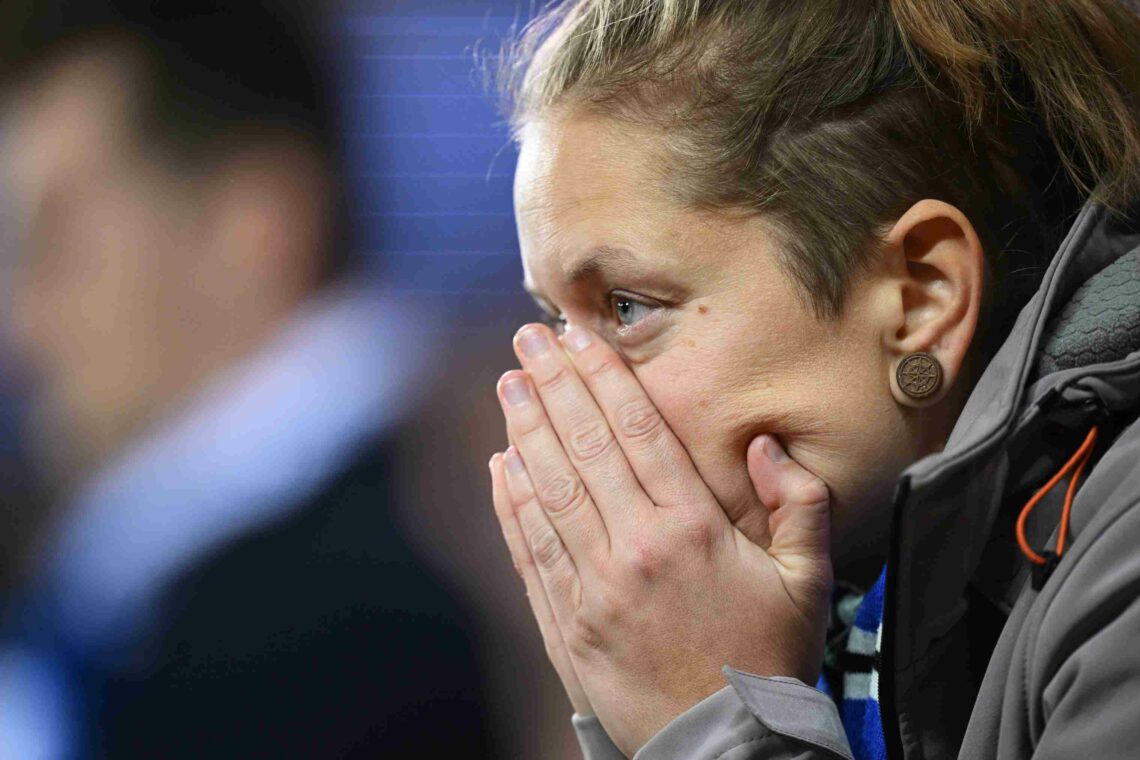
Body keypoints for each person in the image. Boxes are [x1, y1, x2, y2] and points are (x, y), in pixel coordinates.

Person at [484, 0, 1140, 758]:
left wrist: (708, 716)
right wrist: (635, 705)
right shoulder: (851, 576)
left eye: (627, 306)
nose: (564, 391)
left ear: (919, 300)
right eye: (556, 321)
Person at [0, 2, 494, 757]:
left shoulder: (352, 625)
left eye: (57, 242)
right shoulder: (143, 596)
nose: (19, 331)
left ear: (254, 224)